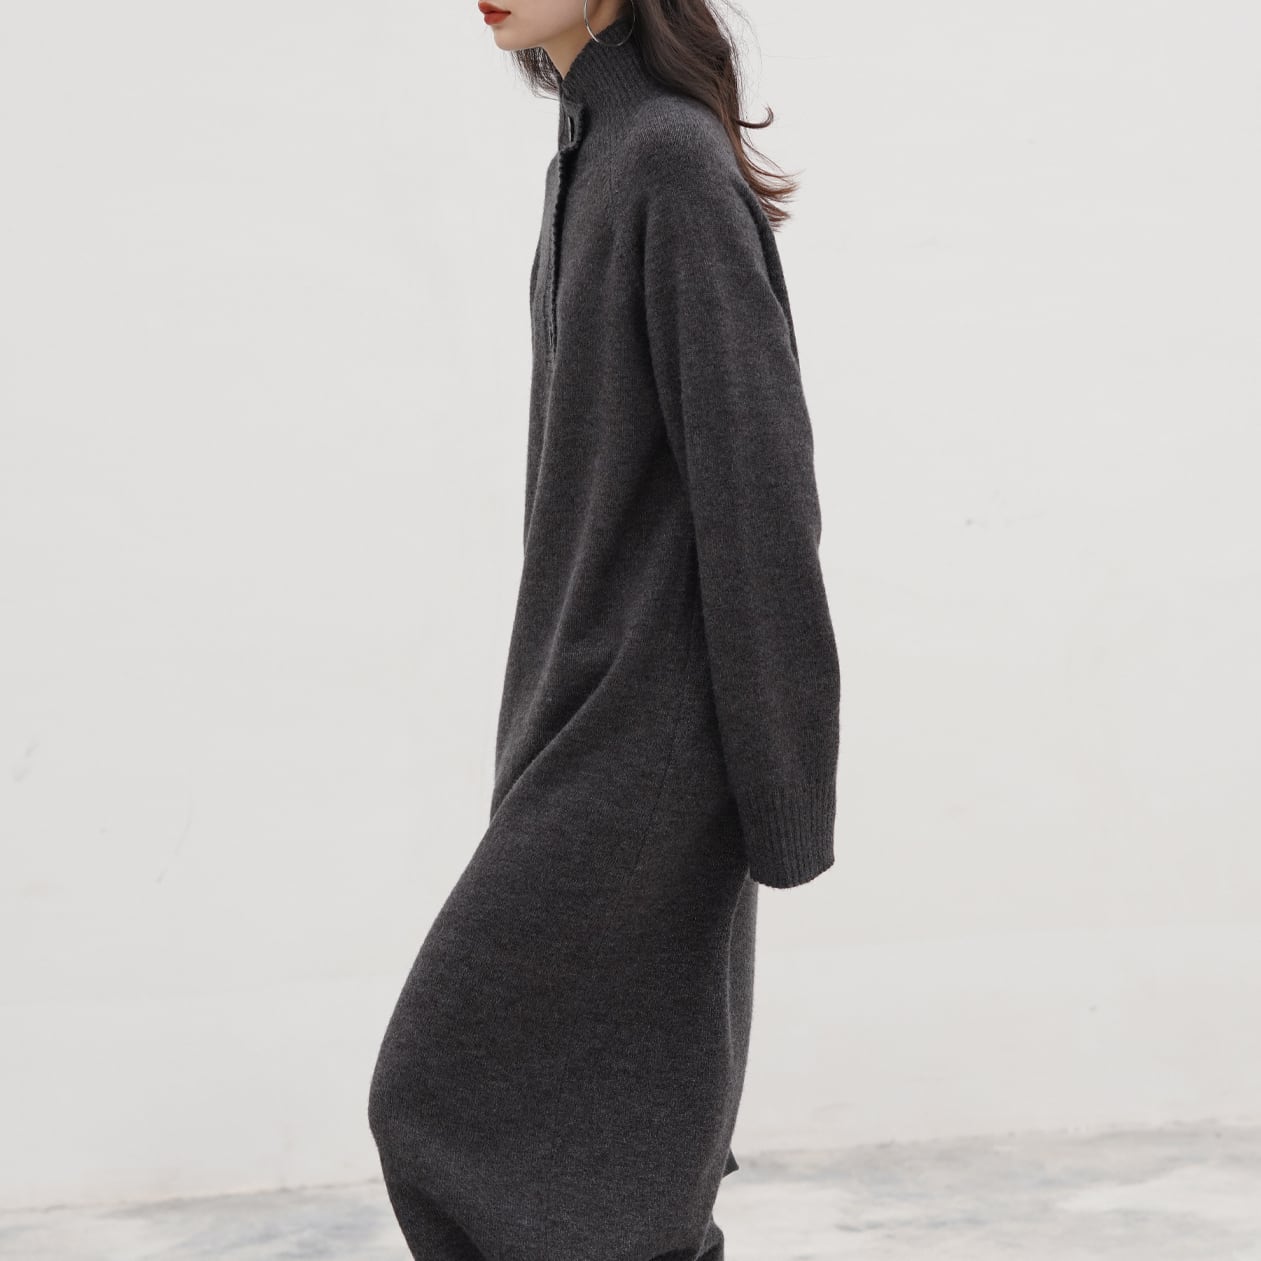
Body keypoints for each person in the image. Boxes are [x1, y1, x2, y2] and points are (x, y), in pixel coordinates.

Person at [367, 2, 842, 1257]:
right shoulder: (593, 152)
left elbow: (760, 483)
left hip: (658, 727)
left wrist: (783, 785)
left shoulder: (667, 162)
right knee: (611, 1137)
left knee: (442, 1093)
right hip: (580, 710)